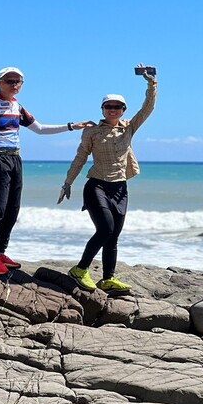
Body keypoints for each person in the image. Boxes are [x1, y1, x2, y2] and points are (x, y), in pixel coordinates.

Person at [0, 67, 94, 275]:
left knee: (13, 208)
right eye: (9, 81)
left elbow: (40, 129)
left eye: (18, 81)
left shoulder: (18, 106)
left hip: (15, 158)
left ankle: (0, 251)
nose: (14, 85)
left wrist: (72, 126)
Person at [58, 66, 158, 294]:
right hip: (97, 186)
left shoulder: (129, 128)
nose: (112, 110)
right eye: (108, 106)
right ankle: (80, 269)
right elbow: (80, 157)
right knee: (105, 230)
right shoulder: (92, 132)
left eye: (117, 107)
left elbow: (148, 108)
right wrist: (68, 182)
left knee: (113, 237)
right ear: (103, 109)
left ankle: (107, 279)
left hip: (120, 188)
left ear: (123, 110)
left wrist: (151, 83)